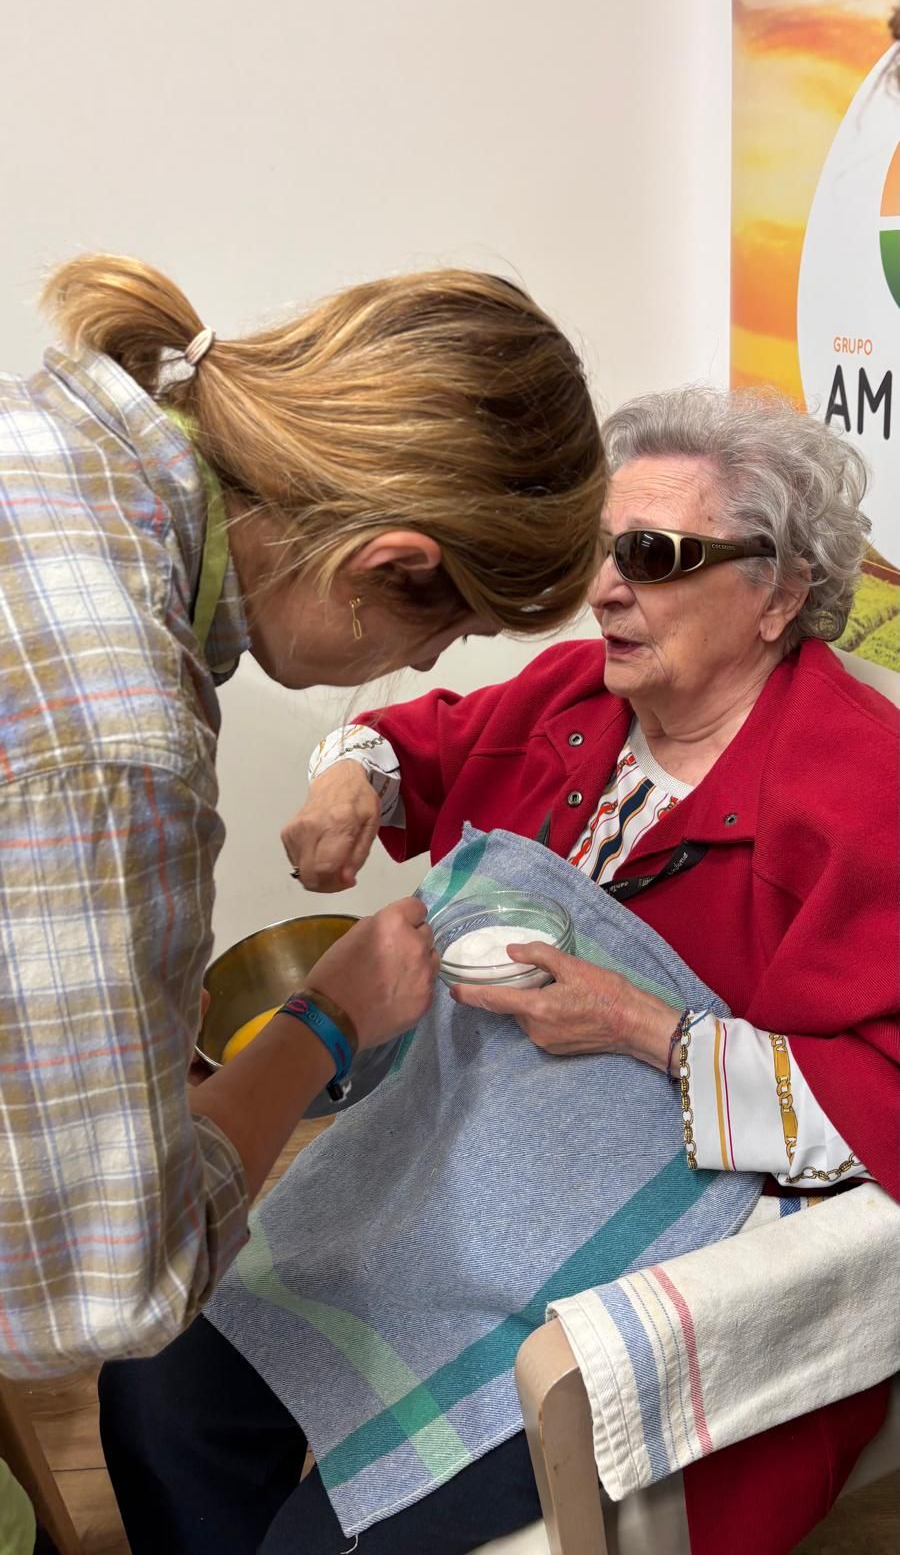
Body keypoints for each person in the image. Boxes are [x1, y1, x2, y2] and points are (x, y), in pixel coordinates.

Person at [98, 386, 898, 1555]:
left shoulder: (865, 796)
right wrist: (351, 786)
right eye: (602, 550)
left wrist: (651, 1030)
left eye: (655, 555)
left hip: (651, 1278)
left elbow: (879, 1101)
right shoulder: (582, 698)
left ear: (777, 593)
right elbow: (415, 739)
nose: (607, 588)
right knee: (155, 1388)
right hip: (456, 1184)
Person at [0, 254, 604, 1391]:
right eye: (450, 631)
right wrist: (326, 1020)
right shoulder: (119, 738)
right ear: (392, 564)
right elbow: (105, 1286)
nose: (424, 665)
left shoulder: (46, 437)